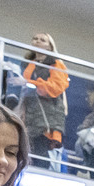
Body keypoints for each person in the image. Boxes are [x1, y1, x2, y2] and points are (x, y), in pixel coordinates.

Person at [20, 34, 68, 169]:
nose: (37, 41)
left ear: (50, 46)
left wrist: (29, 83)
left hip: (45, 118)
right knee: (28, 151)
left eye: (42, 40)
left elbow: (56, 88)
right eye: (35, 38)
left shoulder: (56, 64)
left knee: (39, 153)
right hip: (29, 113)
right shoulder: (28, 63)